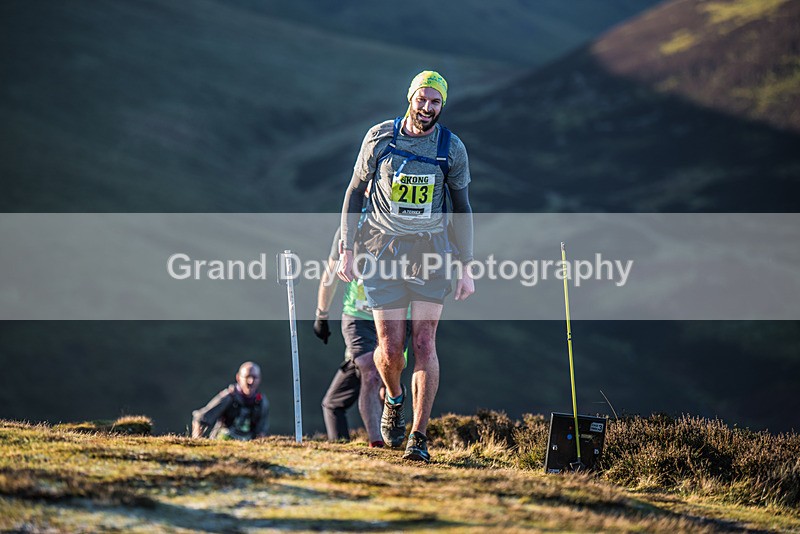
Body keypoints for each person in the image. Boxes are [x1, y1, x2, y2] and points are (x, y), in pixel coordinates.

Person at [337, 70, 475, 462]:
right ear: (410, 97)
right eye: (422, 99)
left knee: (425, 343)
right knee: (391, 349)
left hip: (431, 253)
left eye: (435, 102)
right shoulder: (380, 137)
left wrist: (466, 266)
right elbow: (353, 192)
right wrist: (347, 248)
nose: (428, 108)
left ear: (442, 105)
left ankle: (418, 437)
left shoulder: (451, 148)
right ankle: (394, 398)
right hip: (382, 253)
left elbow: (462, 208)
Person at [314, 228, 411, 447]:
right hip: (357, 315)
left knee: (389, 378)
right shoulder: (349, 229)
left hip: (396, 314)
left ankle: (391, 431)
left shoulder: (402, 224)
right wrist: (322, 314)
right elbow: (331, 272)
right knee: (369, 370)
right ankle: (376, 441)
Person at [191, 361, 269, 440]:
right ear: (238, 378)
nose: (251, 381)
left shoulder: (261, 402)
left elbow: (261, 432)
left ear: (259, 379)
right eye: (247, 377)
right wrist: (197, 442)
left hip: (246, 447)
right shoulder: (228, 397)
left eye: (254, 377)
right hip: (221, 443)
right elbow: (201, 418)